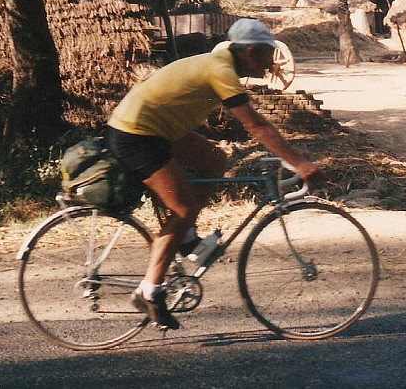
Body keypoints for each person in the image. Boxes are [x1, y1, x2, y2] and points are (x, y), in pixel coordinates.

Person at [106, 18, 325, 330]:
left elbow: (256, 125)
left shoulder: (223, 63)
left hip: (157, 130)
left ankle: (187, 239)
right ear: (250, 52)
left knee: (213, 159)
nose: (269, 63)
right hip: (136, 134)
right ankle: (150, 291)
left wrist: (293, 156)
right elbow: (256, 125)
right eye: (266, 55)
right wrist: (298, 163)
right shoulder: (220, 69)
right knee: (184, 207)